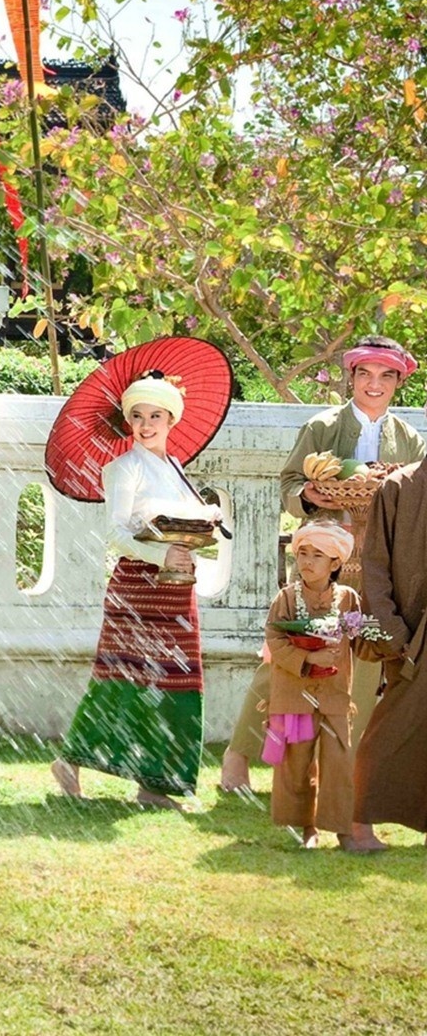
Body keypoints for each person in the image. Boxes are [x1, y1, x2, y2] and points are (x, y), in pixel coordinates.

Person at [222, 337, 423, 792]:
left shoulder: (409, 440)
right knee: (289, 661)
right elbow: (290, 485)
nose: (375, 385)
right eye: (365, 375)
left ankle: (340, 770)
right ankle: (238, 756)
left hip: (376, 579)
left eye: (386, 376)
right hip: (323, 570)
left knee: (367, 662)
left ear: (397, 383)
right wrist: (309, 496)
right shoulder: (321, 427)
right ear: (351, 378)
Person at [52, 374, 217, 808]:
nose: (146, 425)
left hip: (178, 589)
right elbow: (116, 533)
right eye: (138, 417)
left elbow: (181, 527)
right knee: (123, 678)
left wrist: (198, 541)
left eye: (156, 416)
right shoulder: (122, 469)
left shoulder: (176, 468)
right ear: (128, 422)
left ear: (171, 420)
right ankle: (71, 760)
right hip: (138, 588)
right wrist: (163, 556)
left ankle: (155, 783)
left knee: (176, 680)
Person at [260, 521, 382, 848]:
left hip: (335, 697)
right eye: (302, 553)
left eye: (318, 555)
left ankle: (343, 831)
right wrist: (309, 659)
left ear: (336, 564)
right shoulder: (286, 598)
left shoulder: (348, 598)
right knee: (297, 764)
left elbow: (360, 640)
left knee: (340, 763)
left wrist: (377, 637)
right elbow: (274, 638)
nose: (307, 562)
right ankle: (307, 830)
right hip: (294, 696)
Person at [353, 453, 427, 836]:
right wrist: (394, 632)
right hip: (411, 634)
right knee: (393, 727)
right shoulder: (399, 486)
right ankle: (357, 821)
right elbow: (374, 566)